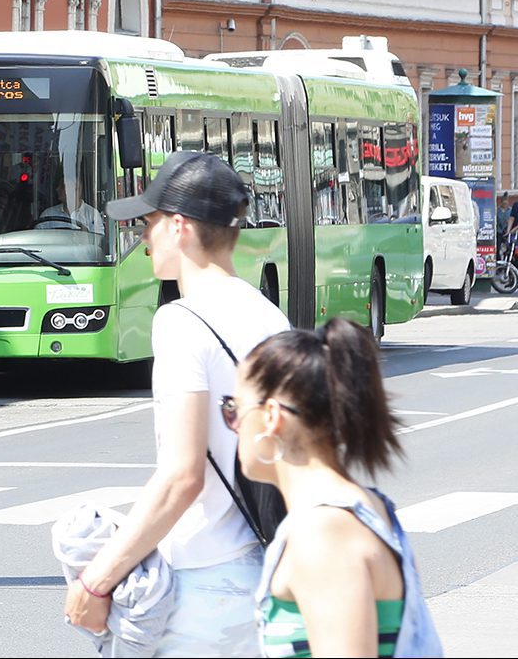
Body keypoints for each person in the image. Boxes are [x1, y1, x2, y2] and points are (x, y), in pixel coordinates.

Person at [63, 151, 291, 656]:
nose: (142, 238)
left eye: (148, 223)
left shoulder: (182, 322)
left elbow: (181, 477)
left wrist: (97, 580)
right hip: (267, 574)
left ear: (180, 227)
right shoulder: (273, 319)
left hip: (203, 584)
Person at [232, 318, 442, 657]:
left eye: (234, 409)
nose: (232, 426)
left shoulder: (323, 533)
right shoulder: (361, 506)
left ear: (271, 416)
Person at [35, 173, 105, 235]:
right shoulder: (48, 214)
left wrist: (86, 235)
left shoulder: (92, 214)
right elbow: (39, 240)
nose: (57, 189)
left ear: (76, 189)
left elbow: (98, 243)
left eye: (63, 186)